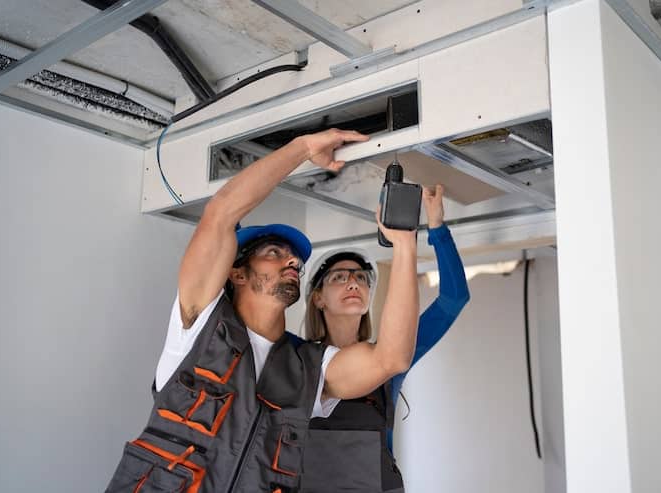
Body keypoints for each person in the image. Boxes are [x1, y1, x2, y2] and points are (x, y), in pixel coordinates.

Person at [105, 129, 420, 493]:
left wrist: (405, 246)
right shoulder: (198, 326)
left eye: (295, 259)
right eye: (274, 252)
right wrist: (303, 148)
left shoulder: (309, 368)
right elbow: (221, 212)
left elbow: (391, 358)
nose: (292, 261)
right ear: (237, 273)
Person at [300, 184, 470, 493]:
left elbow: (453, 298)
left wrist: (436, 226)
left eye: (361, 278)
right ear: (318, 298)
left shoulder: (392, 360)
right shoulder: (297, 360)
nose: (353, 282)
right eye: (339, 277)